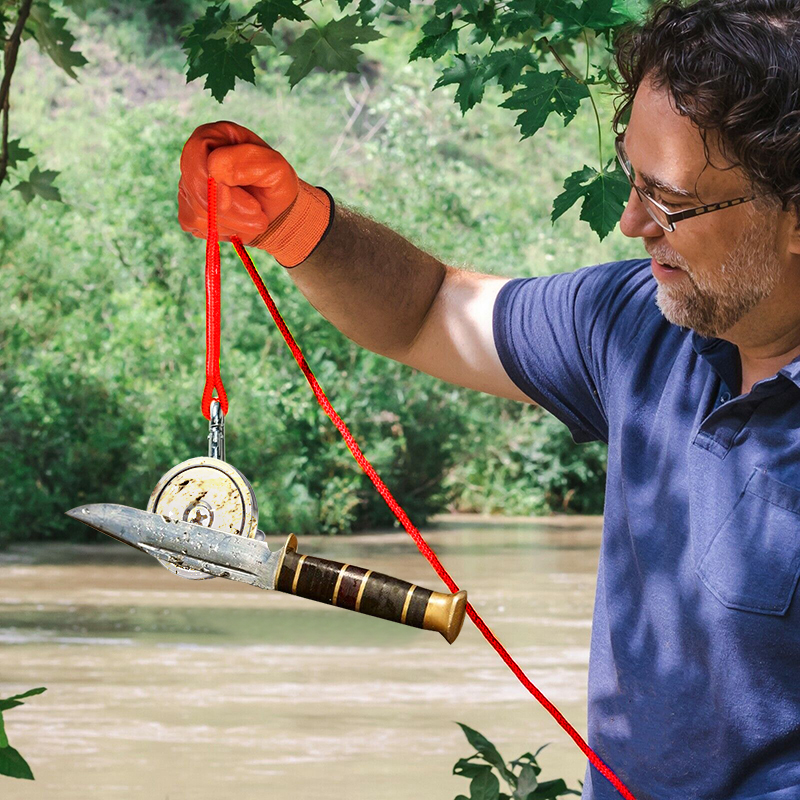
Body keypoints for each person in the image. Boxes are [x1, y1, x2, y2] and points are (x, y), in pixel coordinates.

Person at [177, 0, 800, 796]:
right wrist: (296, 222)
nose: (631, 222)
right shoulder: (638, 323)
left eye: (670, 200)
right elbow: (431, 309)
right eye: (629, 178)